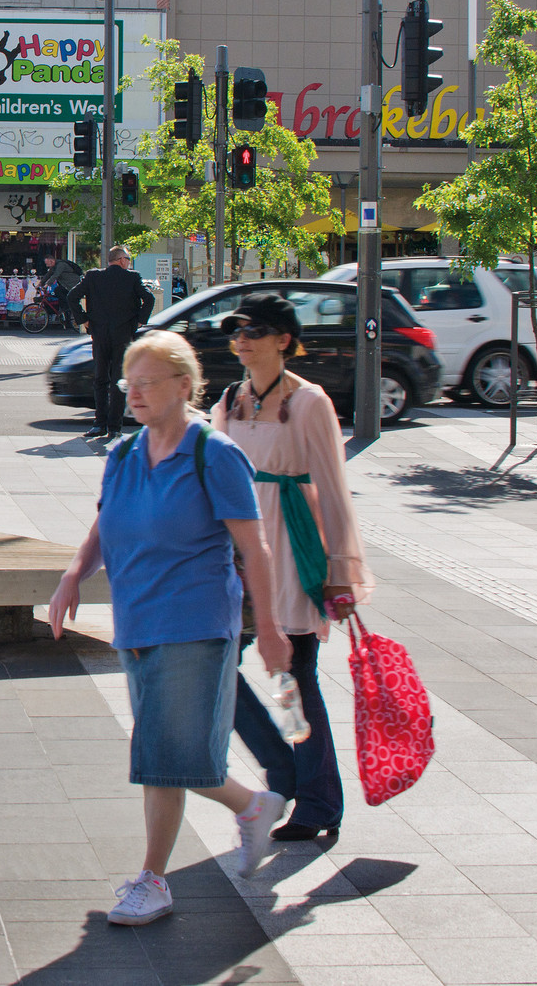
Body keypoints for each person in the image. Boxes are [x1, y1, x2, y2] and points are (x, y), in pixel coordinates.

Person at [48, 331, 291, 926]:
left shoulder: (215, 454)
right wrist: (73, 574)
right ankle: (253, 806)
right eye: (129, 384)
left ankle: (154, 881)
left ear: (185, 386)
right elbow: (106, 526)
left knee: (159, 751)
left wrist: (275, 629)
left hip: (197, 621)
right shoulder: (124, 455)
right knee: (174, 752)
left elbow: (254, 549)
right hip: (137, 621)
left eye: (148, 383)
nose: (134, 394)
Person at [211, 292, 373, 844]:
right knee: (216, 671)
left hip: (292, 544)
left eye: (253, 331)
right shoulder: (230, 401)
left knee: (295, 679)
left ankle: (319, 801)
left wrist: (339, 571)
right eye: (236, 332)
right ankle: (283, 768)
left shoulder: (309, 403)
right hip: (237, 552)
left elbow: (332, 489)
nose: (242, 341)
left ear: (283, 339)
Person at [67, 245, 157, 441]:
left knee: (100, 379)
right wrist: (139, 321)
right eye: (128, 259)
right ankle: (114, 427)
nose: (129, 262)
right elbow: (148, 299)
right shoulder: (132, 277)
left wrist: (83, 320)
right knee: (118, 380)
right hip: (123, 335)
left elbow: (72, 296)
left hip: (99, 334)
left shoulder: (93, 277)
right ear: (122, 259)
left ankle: (99, 423)